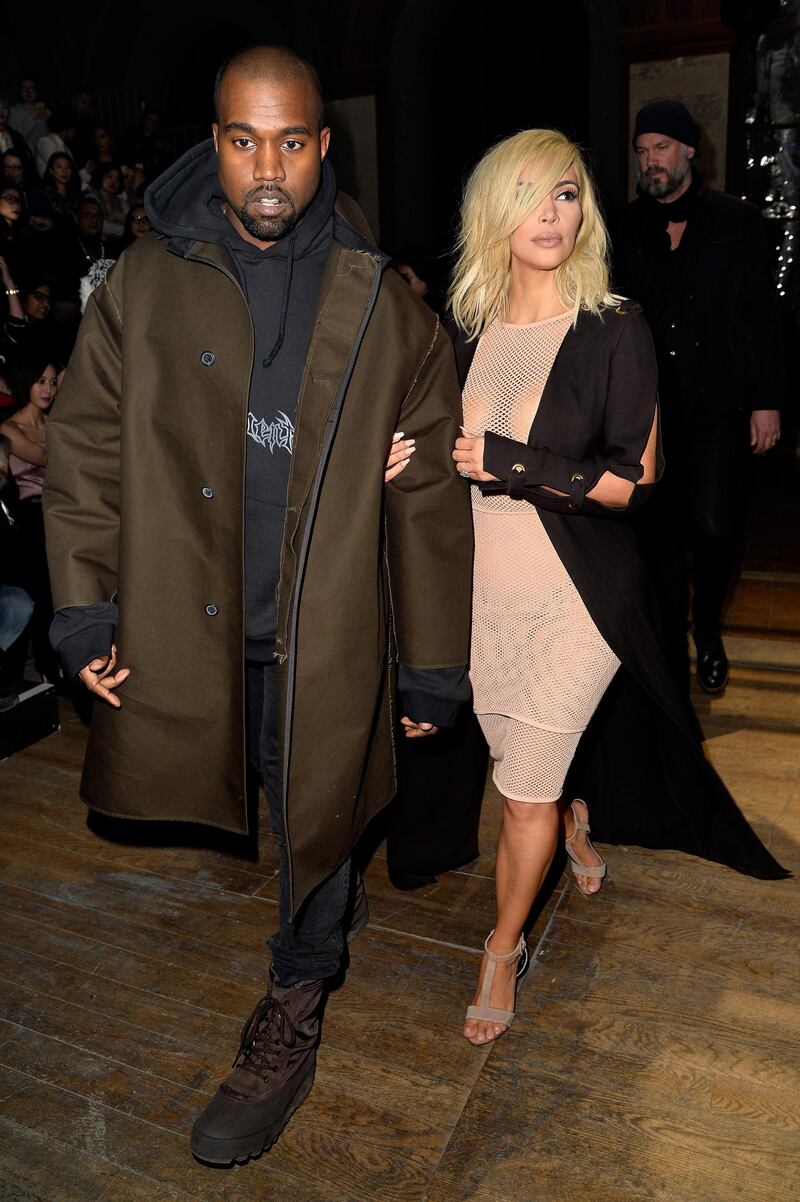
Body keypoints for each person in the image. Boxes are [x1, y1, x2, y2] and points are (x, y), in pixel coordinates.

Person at [44, 43, 472, 1168]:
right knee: (281, 807)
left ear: (322, 146)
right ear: (215, 143)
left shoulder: (381, 302)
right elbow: (83, 441)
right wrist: (84, 609)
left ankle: (293, 995)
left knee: (316, 809)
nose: (268, 167)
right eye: (244, 140)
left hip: (324, 631)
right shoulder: (142, 280)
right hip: (192, 624)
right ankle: (320, 900)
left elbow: (426, 494)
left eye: (291, 141)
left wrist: (432, 660)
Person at [388, 127, 787, 1048]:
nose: (551, 213)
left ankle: (500, 947)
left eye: (568, 195)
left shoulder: (616, 325)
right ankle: (568, 815)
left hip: (576, 597)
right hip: (478, 589)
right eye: (531, 193)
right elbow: (436, 454)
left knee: (519, 789)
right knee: (515, 763)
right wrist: (403, 461)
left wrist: (511, 461)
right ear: (495, 209)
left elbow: (634, 480)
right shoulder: (464, 330)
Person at [613, 101, 784, 695]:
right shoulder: (624, 228)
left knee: (714, 526)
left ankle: (706, 628)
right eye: (641, 151)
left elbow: (764, 317)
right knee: (655, 531)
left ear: (689, 150)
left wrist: (768, 399)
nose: (650, 161)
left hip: (719, 406)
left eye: (661, 148)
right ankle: (666, 640)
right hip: (649, 409)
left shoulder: (737, 222)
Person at [0, 353, 59, 682]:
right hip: (28, 517)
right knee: (41, 593)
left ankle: (57, 666)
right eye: (41, 381)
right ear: (26, 383)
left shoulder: (55, 423)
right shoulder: (9, 428)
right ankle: (46, 670)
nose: (48, 389)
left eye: (52, 382)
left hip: (57, 509)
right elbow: (49, 457)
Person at [35, 109, 77, 178]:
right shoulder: (46, 141)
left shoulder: (66, 147)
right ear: (67, 128)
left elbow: (73, 173)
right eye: (73, 129)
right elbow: (59, 168)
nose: (75, 132)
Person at [39, 151, 82, 216]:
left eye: (67, 167)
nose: (64, 171)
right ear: (51, 171)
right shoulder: (44, 194)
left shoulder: (76, 195)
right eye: (59, 167)